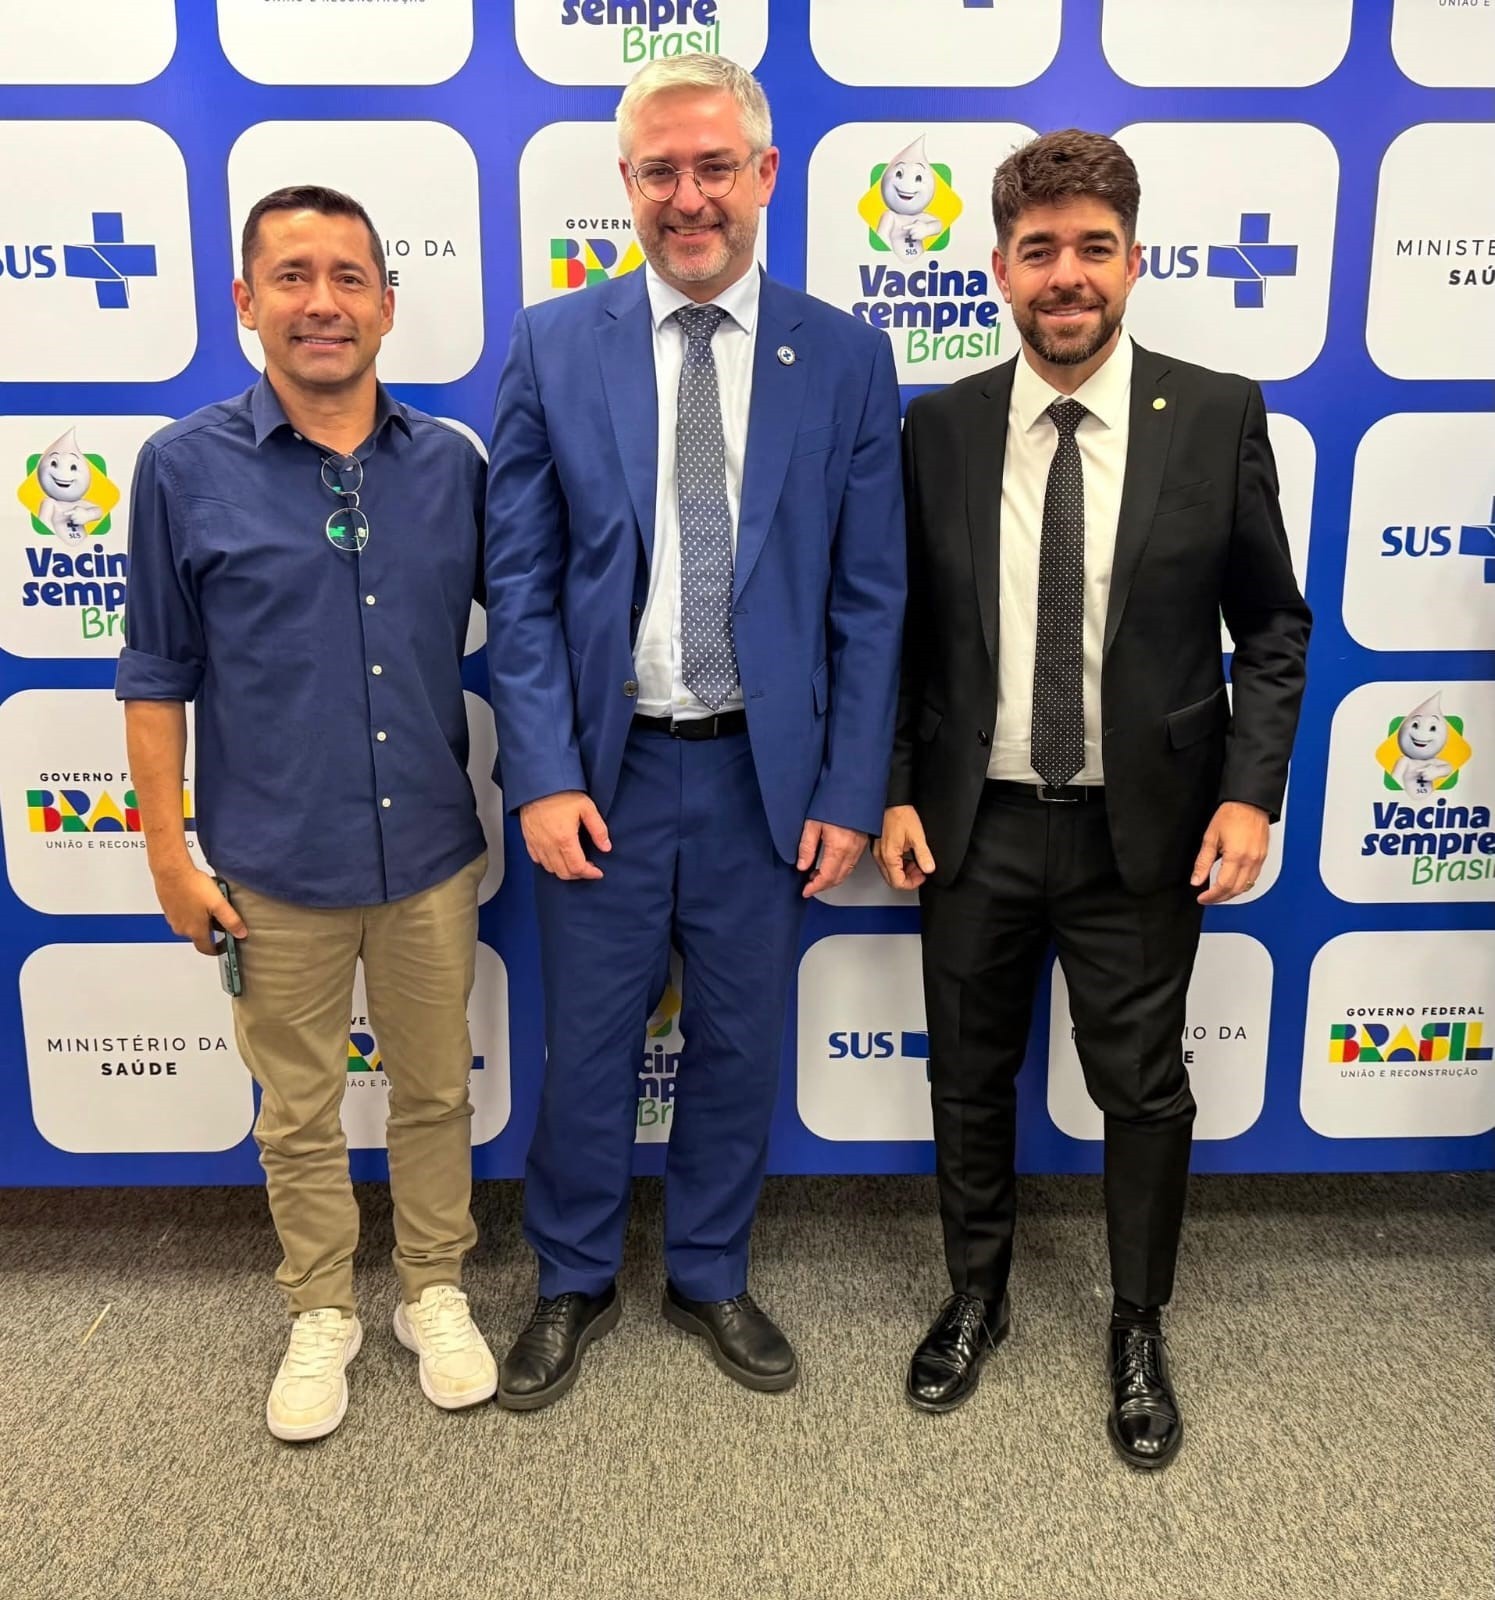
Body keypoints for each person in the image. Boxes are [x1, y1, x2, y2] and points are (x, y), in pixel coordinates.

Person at [876, 130, 1310, 1468]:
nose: (1065, 275)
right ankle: (975, 1295)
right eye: (1038, 250)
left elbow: (1271, 626)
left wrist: (1249, 795)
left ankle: (1136, 1322)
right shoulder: (939, 427)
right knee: (967, 1076)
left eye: (1091, 248)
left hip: (1147, 830)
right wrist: (894, 789)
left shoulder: (1214, 414)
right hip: (975, 823)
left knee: (1143, 1089)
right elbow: (895, 632)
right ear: (998, 268)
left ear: (1131, 260)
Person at [486, 54, 904, 1408]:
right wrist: (540, 773)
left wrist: (847, 787)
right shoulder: (555, 342)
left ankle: (710, 1270)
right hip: (605, 775)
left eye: (714, 166)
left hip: (759, 782)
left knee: (737, 1043)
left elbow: (869, 597)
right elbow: (520, 585)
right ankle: (570, 1274)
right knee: (587, 1045)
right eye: (659, 171)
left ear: (763, 174)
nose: (688, 197)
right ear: (625, 183)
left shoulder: (843, 356)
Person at [117, 185, 496, 1442]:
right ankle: (322, 1305)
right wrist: (167, 857)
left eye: (347, 277)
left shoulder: (451, 465)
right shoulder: (182, 469)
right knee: (298, 1107)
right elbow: (156, 676)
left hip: (429, 851)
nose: (321, 303)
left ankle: (432, 1287)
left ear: (388, 303)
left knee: (434, 1090)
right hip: (272, 865)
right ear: (245, 301)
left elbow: (537, 629)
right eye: (291, 276)